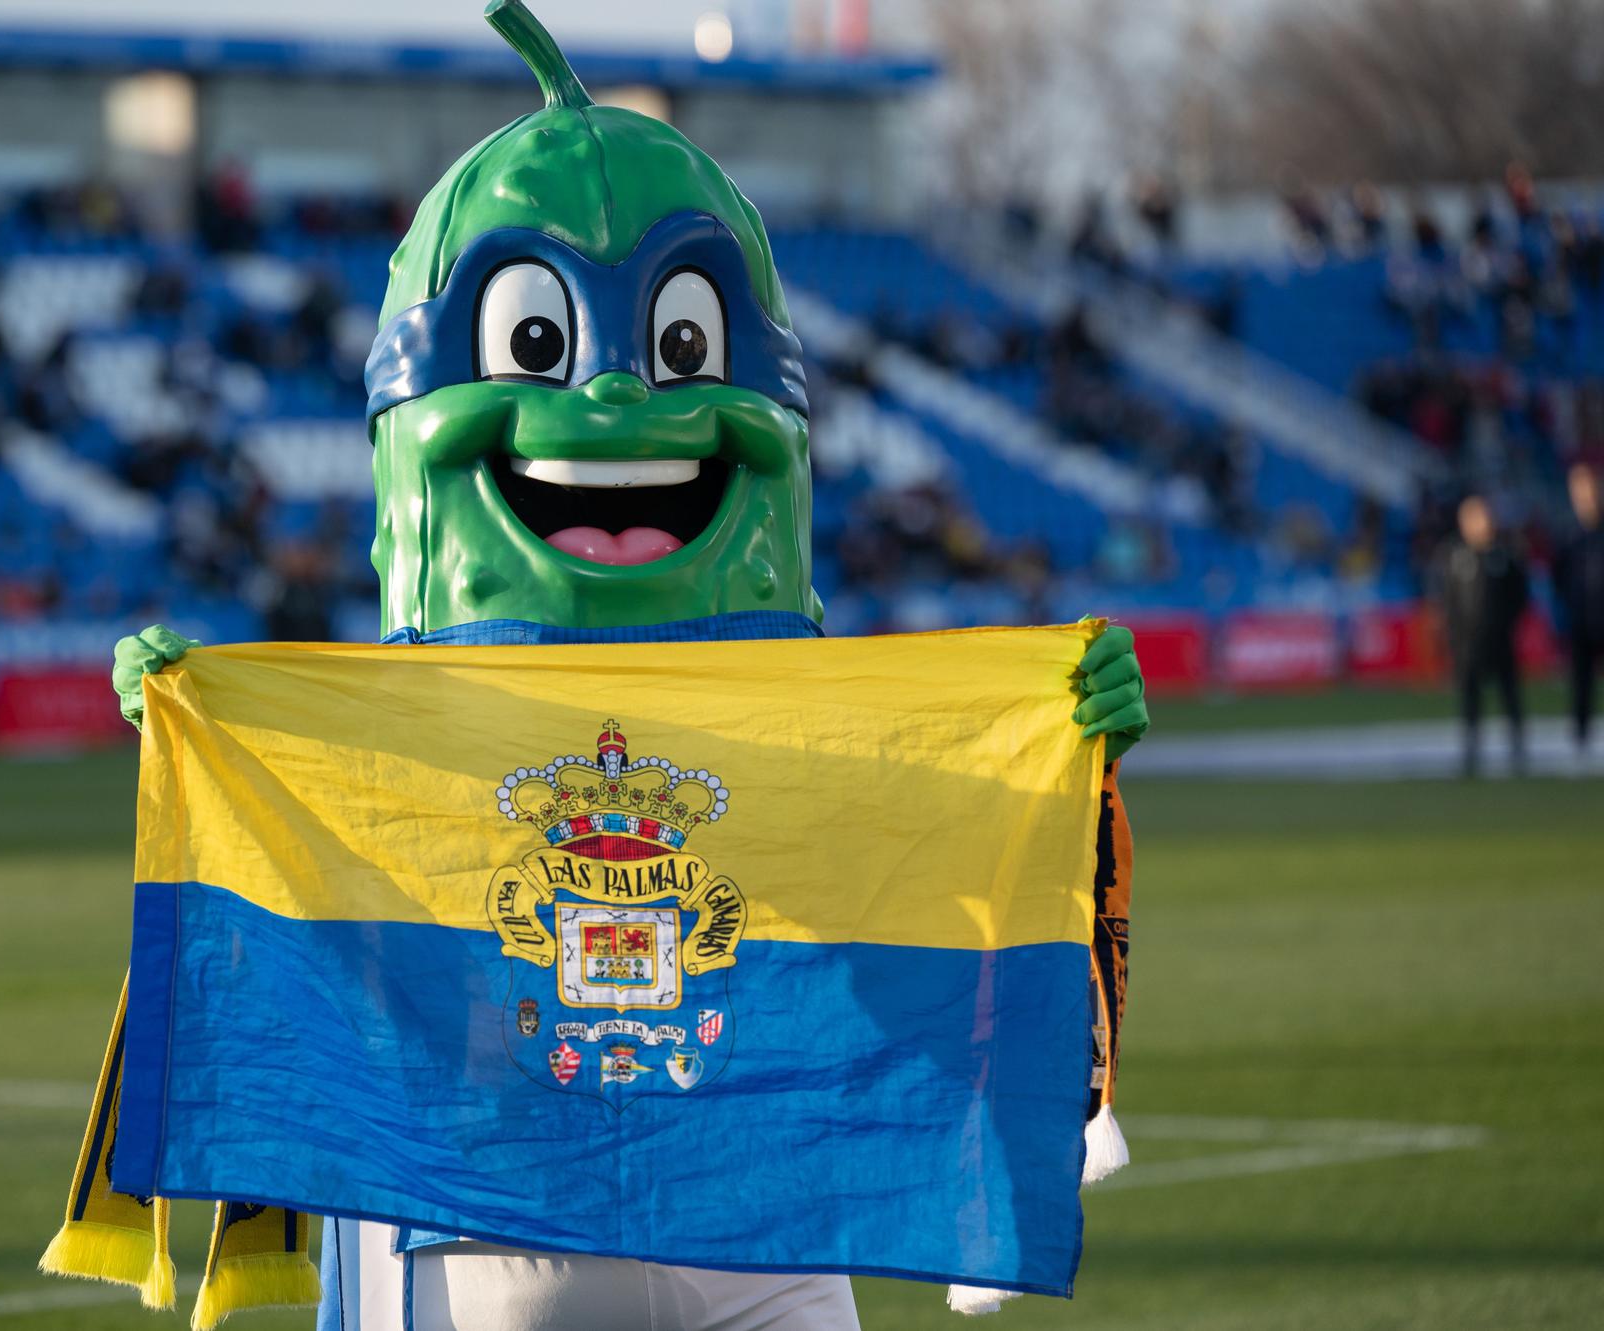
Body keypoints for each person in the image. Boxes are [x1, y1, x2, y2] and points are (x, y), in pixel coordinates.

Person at [100, 5, 1150, 1328]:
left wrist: (1058, 768)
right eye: (538, 344)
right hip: (502, 1208)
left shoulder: (798, 716)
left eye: (678, 349)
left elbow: (914, 915)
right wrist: (197, 730)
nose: (613, 398)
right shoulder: (394, 724)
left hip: (729, 1209)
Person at [1433, 495, 1530, 776]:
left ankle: (1518, 748)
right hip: (1467, 642)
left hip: (1500, 638)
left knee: (1510, 694)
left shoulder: (1505, 555)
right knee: (1469, 697)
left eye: (1483, 516)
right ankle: (1471, 751)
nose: (1480, 523)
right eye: (1473, 517)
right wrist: (1453, 636)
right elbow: (1448, 602)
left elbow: (1519, 596)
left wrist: (1506, 623)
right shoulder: (1455, 556)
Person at [1552, 463, 1604, 754]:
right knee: (1580, 682)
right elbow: (1558, 577)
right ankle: (1580, 740)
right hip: (1581, 619)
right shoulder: (1568, 534)